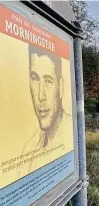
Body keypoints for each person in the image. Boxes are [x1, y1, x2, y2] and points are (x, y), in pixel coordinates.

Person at [20, 44, 73, 176]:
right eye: (35, 79)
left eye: (48, 81)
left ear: (60, 87)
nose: (40, 96)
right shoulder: (29, 148)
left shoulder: (71, 134)